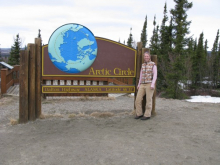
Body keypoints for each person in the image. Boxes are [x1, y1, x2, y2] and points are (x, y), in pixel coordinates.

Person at [135, 52, 157, 120]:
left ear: (149, 57)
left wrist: (152, 84)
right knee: (137, 100)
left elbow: (155, 75)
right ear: (144, 57)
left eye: (147, 56)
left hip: (149, 84)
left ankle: (147, 115)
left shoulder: (153, 65)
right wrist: (139, 84)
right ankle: (139, 113)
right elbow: (141, 75)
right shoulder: (143, 65)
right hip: (142, 84)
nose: (146, 57)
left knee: (148, 100)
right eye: (145, 56)